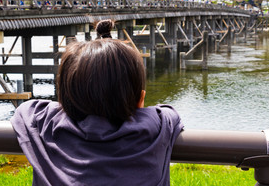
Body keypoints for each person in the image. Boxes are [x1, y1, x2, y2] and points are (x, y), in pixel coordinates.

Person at [11, 35, 183, 186]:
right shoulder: (157, 127)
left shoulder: (42, 123)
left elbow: (26, 108)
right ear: (141, 99)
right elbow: (169, 113)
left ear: (64, 98)